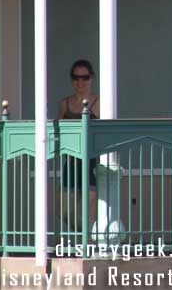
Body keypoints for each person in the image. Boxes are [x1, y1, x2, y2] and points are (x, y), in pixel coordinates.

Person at [58, 60, 100, 229]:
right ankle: (83, 236)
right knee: (64, 212)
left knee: (89, 213)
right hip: (72, 162)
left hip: (92, 163)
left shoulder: (99, 103)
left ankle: (87, 247)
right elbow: (59, 131)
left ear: (92, 78)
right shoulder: (64, 104)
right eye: (76, 78)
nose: (80, 82)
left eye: (84, 77)